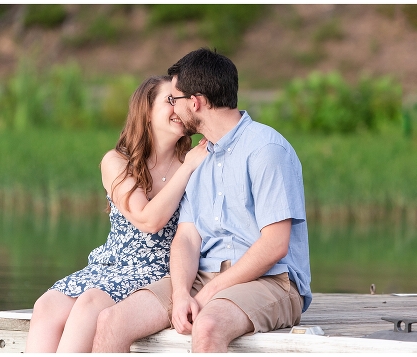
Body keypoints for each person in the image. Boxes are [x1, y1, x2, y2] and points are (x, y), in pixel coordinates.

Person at [93, 48, 312, 353]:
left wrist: (213, 291)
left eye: (175, 98)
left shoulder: (266, 149)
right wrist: (182, 292)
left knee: (207, 326)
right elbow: (186, 237)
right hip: (203, 277)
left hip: (273, 281)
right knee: (111, 321)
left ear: (194, 102)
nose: (174, 107)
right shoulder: (198, 157)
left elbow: (275, 245)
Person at [25, 76, 208, 352]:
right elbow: (147, 219)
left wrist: (190, 164)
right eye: (169, 100)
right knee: (46, 305)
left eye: (180, 101)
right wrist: (188, 167)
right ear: (145, 112)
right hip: (111, 264)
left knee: (90, 305)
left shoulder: (194, 163)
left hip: (161, 271)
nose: (177, 108)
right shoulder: (117, 162)